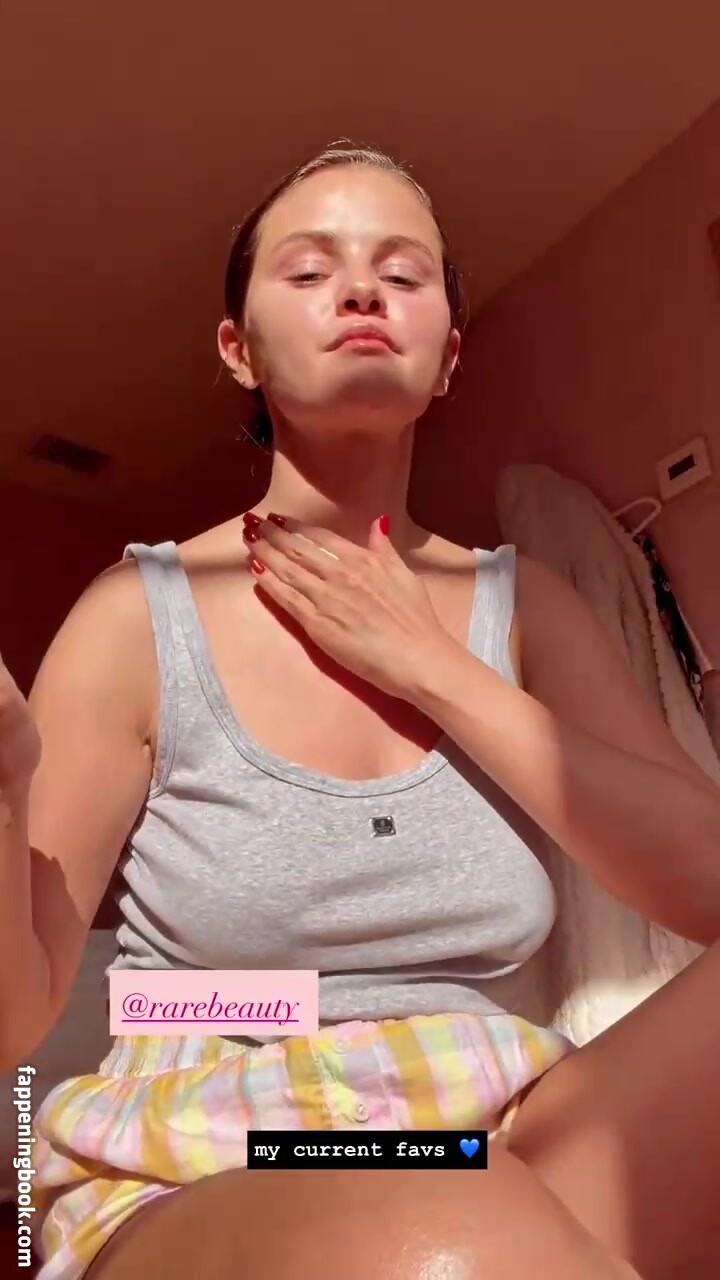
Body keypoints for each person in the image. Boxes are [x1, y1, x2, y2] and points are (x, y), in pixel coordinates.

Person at [2, 143, 719, 1280]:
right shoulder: (135, 615)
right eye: (309, 269)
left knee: (469, 1211)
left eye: (402, 272)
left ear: (449, 358)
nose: (361, 290)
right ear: (238, 349)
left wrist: (433, 667)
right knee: (455, 1231)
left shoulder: (527, 606)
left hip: (491, 1120)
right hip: (218, 1147)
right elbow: (20, 1010)